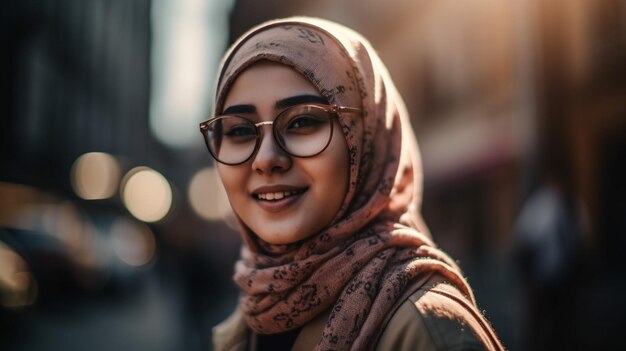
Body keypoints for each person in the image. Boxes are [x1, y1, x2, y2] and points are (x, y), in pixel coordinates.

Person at [200, 16, 504, 351]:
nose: (266, 159)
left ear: (367, 139)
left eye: (303, 121)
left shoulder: (425, 330)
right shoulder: (247, 323)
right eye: (239, 130)